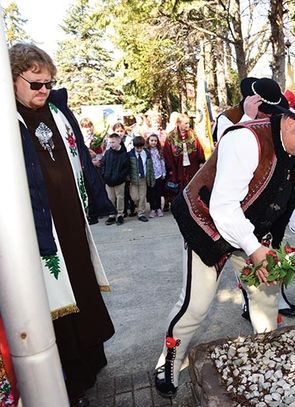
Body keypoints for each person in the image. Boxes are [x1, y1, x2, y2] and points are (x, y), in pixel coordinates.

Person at [153, 100, 295, 398]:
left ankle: (265, 353)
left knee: (266, 299)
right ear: (288, 123)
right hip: (208, 225)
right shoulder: (246, 139)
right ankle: (169, 361)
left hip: (254, 233)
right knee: (195, 305)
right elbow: (223, 207)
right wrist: (253, 248)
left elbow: (294, 199)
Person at [10, 42, 115, 406]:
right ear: (12, 78)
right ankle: (70, 375)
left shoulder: (59, 111)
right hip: (38, 226)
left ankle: (93, 358)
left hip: (71, 218)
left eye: (49, 83)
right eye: (35, 83)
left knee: (82, 284)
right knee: (54, 297)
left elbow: (82, 158)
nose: (44, 91)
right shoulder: (7, 120)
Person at [212, 77, 295, 320]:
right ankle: (248, 304)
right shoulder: (229, 118)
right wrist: (249, 119)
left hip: (261, 203)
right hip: (230, 206)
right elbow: (228, 148)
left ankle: (273, 300)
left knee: (268, 256)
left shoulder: (272, 123)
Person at [162, 112, 205, 194]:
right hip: (178, 167)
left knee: (193, 186)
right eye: (185, 123)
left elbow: (199, 148)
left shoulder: (192, 133)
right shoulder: (171, 136)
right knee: (180, 188)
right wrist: (170, 168)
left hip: (192, 166)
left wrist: (201, 161)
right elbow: (167, 153)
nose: (188, 125)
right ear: (178, 123)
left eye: (188, 123)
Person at [102, 132, 130, 225]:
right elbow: (103, 164)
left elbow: (126, 169)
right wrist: (104, 175)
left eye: (113, 142)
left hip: (119, 181)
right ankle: (112, 214)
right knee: (110, 198)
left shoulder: (124, 154)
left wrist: (120, 178)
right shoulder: (108, 153)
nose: (111, 144)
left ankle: (120, 214)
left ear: (119, 141)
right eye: (110, 142)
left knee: (120, 198)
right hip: (108, 180)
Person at [128, 136, 155, 222]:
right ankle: (138, 206)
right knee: (135, 197)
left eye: (141, 147)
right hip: (134, 179)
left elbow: (150, 166)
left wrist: (151, 177)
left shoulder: (147, 153)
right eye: (137, 148)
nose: (139, 149)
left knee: (143, 196)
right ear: (134, 146)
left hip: (143, 178)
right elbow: (127, 167)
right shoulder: (130, 154)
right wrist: (128, 178)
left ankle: (141, 213)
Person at [147, 134, 167, 217]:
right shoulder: (146, 151)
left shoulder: (159, 150)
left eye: (155, 141)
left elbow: (162, 162)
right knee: (151, 193)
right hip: (150, 175)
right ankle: (152, 208)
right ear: (148, 141)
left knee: (158, 192)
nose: (153, 142)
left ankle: (158, 208)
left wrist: (163, 172)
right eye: (152, 140)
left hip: (158, 174)